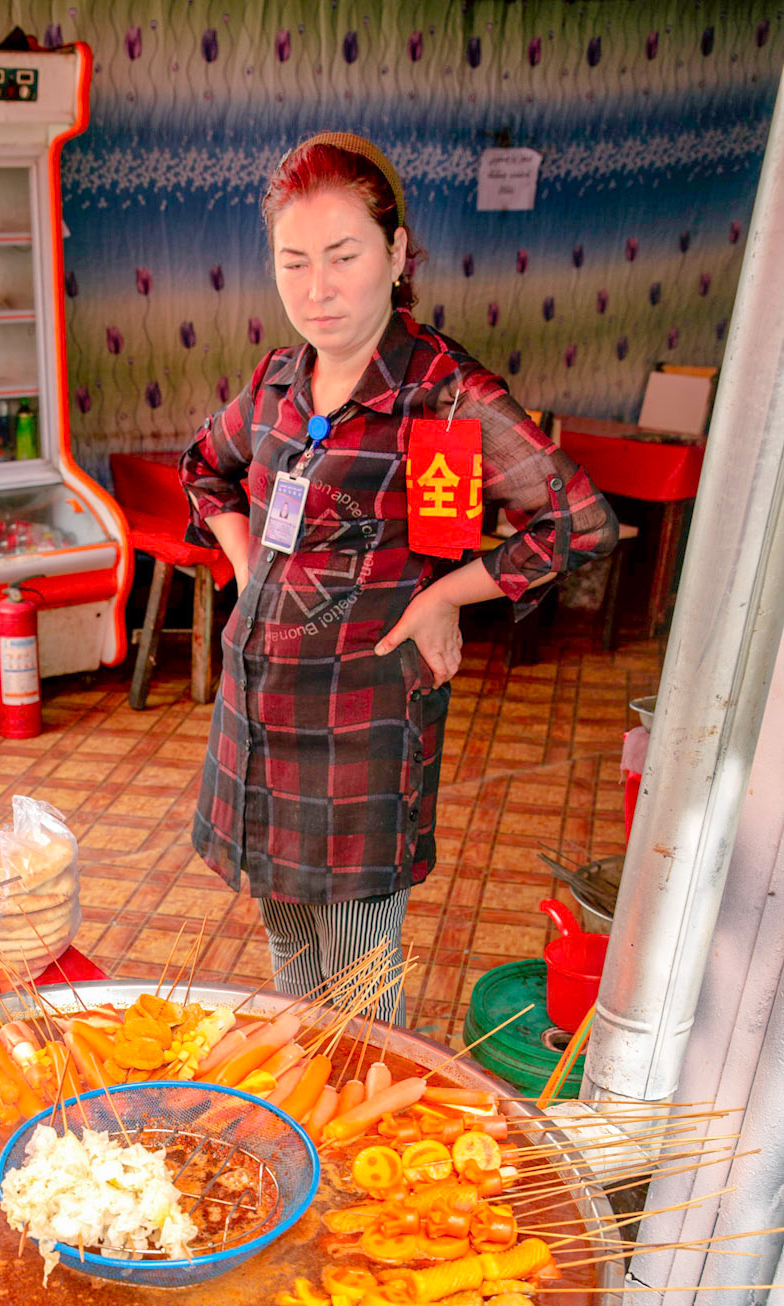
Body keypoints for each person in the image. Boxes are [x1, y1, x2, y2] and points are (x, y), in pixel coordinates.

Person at [179, 131, 617, 1020]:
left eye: (343, 256)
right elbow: (204, 468)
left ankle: (363, 1133)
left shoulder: (441, 394)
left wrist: (445, 595)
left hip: (359, 726)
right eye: (293, 262)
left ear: (397, 253)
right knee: (291, 952)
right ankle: (315, 1103)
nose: (317, 289)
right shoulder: (278, 383)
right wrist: (245, 565)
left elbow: (576, 521)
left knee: (358, 986)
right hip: (257, 717)